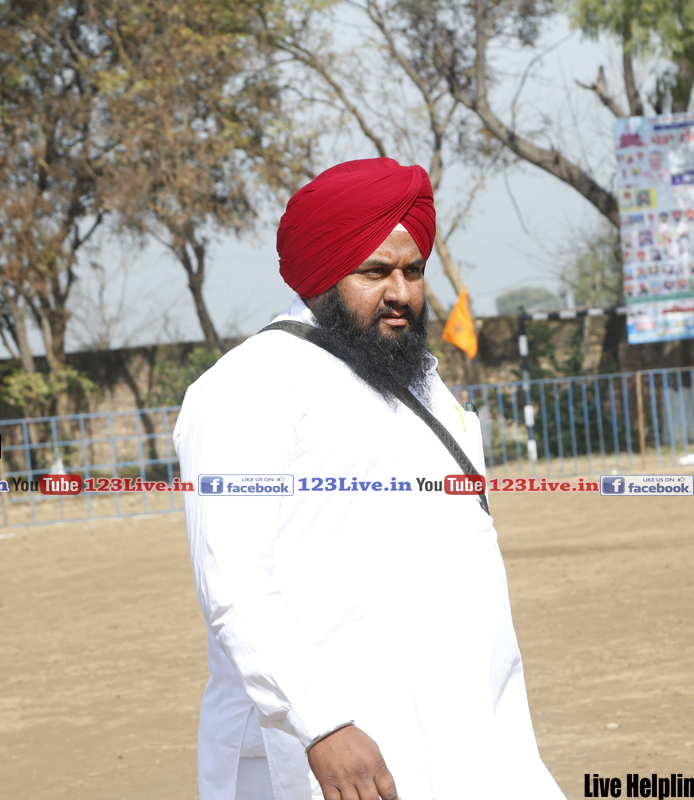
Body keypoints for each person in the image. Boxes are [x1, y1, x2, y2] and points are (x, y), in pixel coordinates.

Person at [173, 158, 566, 800]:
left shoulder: (421, 381)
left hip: (465, 729)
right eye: (375, 272)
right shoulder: (251, 385)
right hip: (331, 745)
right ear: (325, 274)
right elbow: (235, 581)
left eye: (413, 271)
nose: (401, 292)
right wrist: (323, 722)